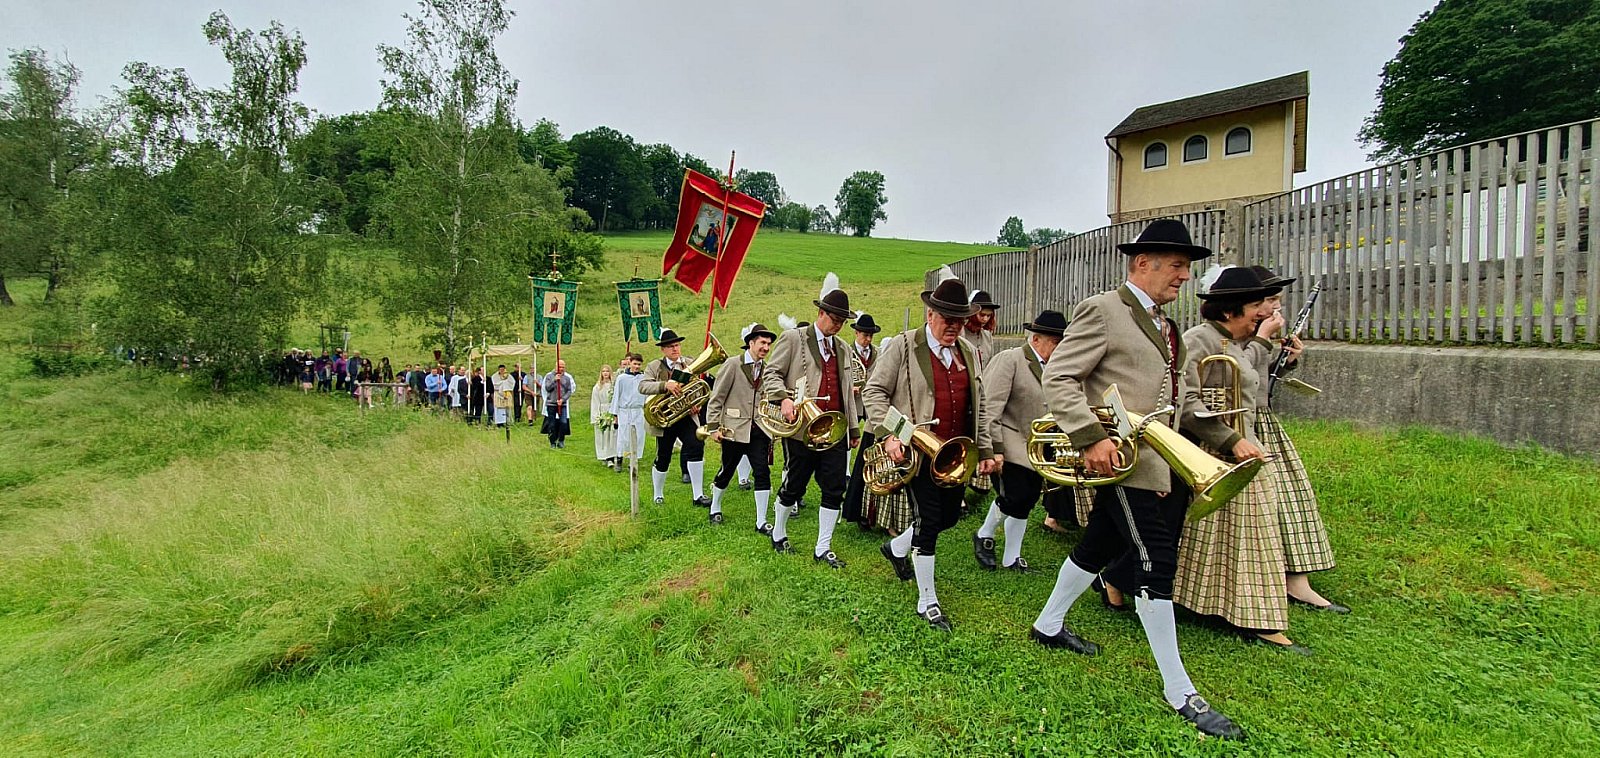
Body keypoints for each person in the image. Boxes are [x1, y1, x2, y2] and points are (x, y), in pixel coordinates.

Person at [1028, 218, 1256, 740]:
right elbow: (1059, 376)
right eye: (1176, 265)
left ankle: (1048, 625)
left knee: (1098, 545)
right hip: (1122, 464)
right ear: (1141, 264)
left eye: (1186, 267)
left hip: (1162, 463)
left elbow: (1183, 403)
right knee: (1156, 560)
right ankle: (1181, 691)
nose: (1184, 276)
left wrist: (1228, 441)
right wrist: (1090, 438)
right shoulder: (1103, 310)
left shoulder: (1169, 328)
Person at [1162, 265, 1306, 654]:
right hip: (1215, 450)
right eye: (1257, 306)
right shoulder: (1199, 340)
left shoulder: (1236, 341)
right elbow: (1186, 403)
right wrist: (1232, 440)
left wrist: (1283, 356)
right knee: (1245, 534)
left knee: (1235, 536)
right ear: (1229, 310)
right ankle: (1259, 620)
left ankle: (1234, 607)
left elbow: (1252, 384)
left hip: (1241, 446)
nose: (1266, 312)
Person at [865, 275, 999, 631]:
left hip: (956, 456)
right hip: (918, 452)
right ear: (929, 314)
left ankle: (896, 549)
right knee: (928, 521)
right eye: (947, 319)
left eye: (960, 320)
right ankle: (928, 602)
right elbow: (874, 392)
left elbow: (980, 404)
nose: (954, 327)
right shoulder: (904, 346)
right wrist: (892, 434)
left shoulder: (968, 351)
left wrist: (986, 448)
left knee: (948, 518)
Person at [1247, 266, 1348, 614]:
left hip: (1264, 421)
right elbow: (1241, 374)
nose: (1277, 307)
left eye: (1278, 300)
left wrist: (1286, 361)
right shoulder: (1236, 334)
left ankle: (1296, 580)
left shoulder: (1258, 333)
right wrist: (1262, 340)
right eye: (1271, 300)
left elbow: (1263, 379)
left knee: (1292, 496)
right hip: (1242, 425)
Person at [760, 275, 861, 567]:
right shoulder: (794, 338)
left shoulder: (843, 348)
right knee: (795, 485)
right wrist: (783, 399)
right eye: (834, 319)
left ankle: (822, 547)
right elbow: (771, 373)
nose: (838, 325)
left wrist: (853, 428)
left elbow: (846, 391)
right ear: (820, 313)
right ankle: (778, 533)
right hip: (802, 428)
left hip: (835, 429)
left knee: (834, 488)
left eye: (842, 321)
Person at [973, 310, 1068, 573]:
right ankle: (984, 534)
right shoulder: (1010, 359)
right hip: (1009, 440)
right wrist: (994, 448)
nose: (1060, 348)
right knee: (1016, 496)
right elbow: (990, 407)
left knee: (1027, 500)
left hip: (1039, 446)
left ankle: (1011, 557)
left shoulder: (1058, 368)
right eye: (1055, 342)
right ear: (1036, 339)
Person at [706, 323, 778, 528]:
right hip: (733, 430)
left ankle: (761, 521)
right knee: (726, 471)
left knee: (762, 472)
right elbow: (717, 398)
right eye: (762, 343)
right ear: (750, 343)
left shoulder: (767, 369)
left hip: (759, 430)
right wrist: (713, 427)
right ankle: (715, 507)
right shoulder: (732, 364)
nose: (766, 347)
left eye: (768, 344)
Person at [639, 329, 711, 506]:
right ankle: (658, 494)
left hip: (686, 416)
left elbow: (699, 386)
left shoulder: (689, 363)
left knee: (696, 447)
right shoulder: (654, 366)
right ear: (663, 349)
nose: (675, 349)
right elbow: (643, 386)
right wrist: (665, 385)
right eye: (671, 346)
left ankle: (698, 495)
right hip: (665, 419)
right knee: (663, 456)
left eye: (677, 345)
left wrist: (697, 403)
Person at [842, 312, 883, 525]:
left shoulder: (877, 353)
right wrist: (850, 389)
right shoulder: (847, 352)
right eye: (864, 335)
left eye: (870, 336)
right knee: (850, 435)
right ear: (856, 333)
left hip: (872, 404)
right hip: (854, 401)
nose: (867, 339)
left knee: (870, 439)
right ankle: (846, 471)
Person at [611, 353, 649, 469]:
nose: (637, 366)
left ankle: (634, 460)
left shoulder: (643, 378)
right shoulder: (622, 378)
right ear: (630, 363)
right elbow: (616, 396)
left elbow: (646, 394)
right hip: (625, 411)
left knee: (639, 435)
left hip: (638, 410)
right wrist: (615, 415)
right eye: (635, 364)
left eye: (639, 364)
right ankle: (619, 458)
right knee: (623, 436)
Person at [543, 360, 577, 448]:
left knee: (564, 422)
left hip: (562, 404)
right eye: (560, 367)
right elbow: (547, 388)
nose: (561, 369)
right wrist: (554, 380)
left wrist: (563, 399)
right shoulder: (549, 376)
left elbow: (569, 391)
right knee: (552, 424)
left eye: (563, 367)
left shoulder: (567, 378)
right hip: (551, 403)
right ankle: (552, 442)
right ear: (556, 367)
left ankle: (561, 440)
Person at [591, 365, 619, 470]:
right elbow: (595, 402)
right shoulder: (597, 387)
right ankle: (605, 456)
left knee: (613, 435)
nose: (605, 373)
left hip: (612, 411)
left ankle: (614, 455)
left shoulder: (614, 386)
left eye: (607, 371)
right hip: (603, 412)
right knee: (604, 435)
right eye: (603, 371)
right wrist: (596, 416)